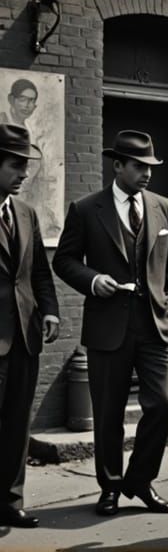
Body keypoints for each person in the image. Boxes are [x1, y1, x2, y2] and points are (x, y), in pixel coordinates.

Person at [52, 130, 168, 517]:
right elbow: (64, 261)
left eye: (151, 166)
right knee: (108, 413)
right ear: (118, 166)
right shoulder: (86, 209)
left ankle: (140, 481)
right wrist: (93, 281)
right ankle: (110, 487)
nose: (147, 173)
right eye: (139, 166)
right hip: (107, 327)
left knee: (163, 405)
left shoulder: (165, 207)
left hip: (156, 326)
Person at [0, 124, 59, 529]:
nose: (24, 174)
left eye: (26, 165)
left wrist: (50, 311)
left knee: (18, 423)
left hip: (24, 334)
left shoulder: (25, 212)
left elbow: (39, 271)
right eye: (15, 165)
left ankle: (9, 501)